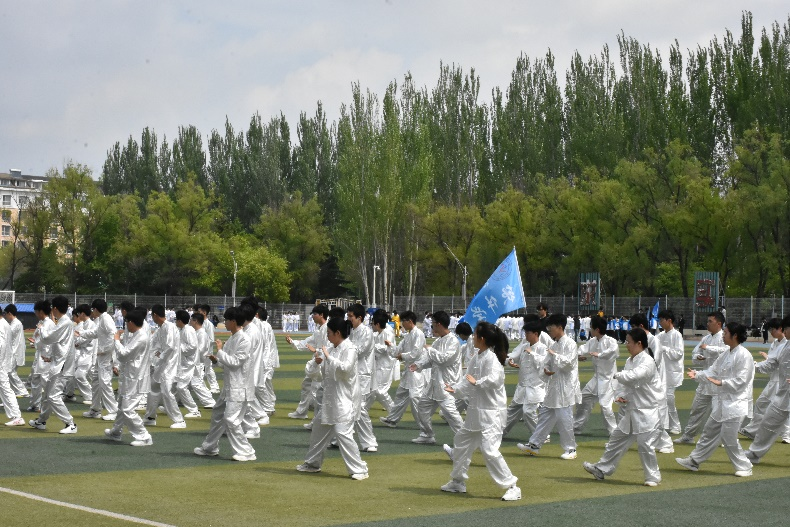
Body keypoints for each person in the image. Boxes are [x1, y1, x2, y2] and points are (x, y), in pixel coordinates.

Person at [441, 321, 521, 501]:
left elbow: (495, 380)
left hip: (492, 413)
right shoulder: (476, 358)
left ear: (482, 339)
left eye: (475, 335)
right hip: (476, 412)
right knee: (461, 442)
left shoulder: (492, 359)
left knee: (489, 450)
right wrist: (455, 389)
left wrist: (477, 382)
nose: (473, 337)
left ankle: (512, 486)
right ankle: (458, 481)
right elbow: (467, 381)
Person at [582, 327, 663, 487]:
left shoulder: (647, 361)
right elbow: (625, 386)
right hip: (633, 409)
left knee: (645, 444)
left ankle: (653, 477)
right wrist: (621, 396)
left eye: (629, 342)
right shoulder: (630, 361)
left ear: (639, 343)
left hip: (647, 410)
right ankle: (602, 468)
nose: (626, 345)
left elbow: (634, 376)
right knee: (617, 438)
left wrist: (616, 375)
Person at [675, 322, 754, 477]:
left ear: (735, 336)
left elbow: (742, 380)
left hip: (735, 403)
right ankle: (694, 461)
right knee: (709, 431)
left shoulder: (744, 355)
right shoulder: (725, 353)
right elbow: (712, 371)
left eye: (725, 333)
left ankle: (745, 466)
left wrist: (722, 383)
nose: (723, 336)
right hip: (722, 402)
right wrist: (697, 374)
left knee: (729, 437)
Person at [296, 316, 368, 479]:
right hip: (330, 400)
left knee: (343, 433)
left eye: (329, 333)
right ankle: (313, 463)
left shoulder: (350, 349)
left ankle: (359, 469)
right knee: (318, 431)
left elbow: (345, 369)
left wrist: (329, 358)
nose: (327, 336)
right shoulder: (330, 348)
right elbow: (314, 374)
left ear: (337, 333)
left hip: (345, 400)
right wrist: (317, 362)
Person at [194, 307, 257, 461]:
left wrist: (220, 351)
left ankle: (247, 451)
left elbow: (235, 363)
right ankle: (210, 447)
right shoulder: (232, 339)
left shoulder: (244, 340)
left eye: (226, 320)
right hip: (229, 386)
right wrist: (216, 360)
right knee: (218, 414)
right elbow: (226, 364)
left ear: (233, 321)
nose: (225, 323)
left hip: (240, 387)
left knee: (231, 419)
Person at [517, 313, 581, 459]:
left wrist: (555, 355)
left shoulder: (570, 344)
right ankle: (534, 444)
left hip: (566, 387)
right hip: (553, 386)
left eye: (551, 326)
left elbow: (569, 364)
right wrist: (546, 369)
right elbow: (546, 362)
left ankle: (571, 449)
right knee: (545, 416)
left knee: (564, 418)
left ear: (560, 327)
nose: (549, 329)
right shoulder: (553, 344)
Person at [410, 310, 463, 445]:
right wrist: (418, 365)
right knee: (422, 407)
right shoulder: (438, 341)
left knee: (451, 415)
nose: (432, 326)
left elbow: (443, 359)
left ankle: (465, 439)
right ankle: (427, 434)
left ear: (438, 324)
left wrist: (430, 349)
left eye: (433, 323)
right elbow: (431, 360)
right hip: (434, 384)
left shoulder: (453, 342)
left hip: (447, 385)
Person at [675, 312, 728, 444]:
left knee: (719, 412)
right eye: (707, 321)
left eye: (710, 321)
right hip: (705, 379)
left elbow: (727, 351)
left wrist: (709, 348)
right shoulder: (706, 338)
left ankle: (723, 438)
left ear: (719, 324)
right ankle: (688, 436)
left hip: (719, 381)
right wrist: (698, 357)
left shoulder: (724, 337)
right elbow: (695, 352)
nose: (707, 324)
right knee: (697, 409)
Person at [104, 309, 153, 446]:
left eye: (126, 322)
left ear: (131, 322)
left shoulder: (141, 337)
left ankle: (144, 436)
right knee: (122, 405)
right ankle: (116, 431)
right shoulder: (136, 335)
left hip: (136, 378)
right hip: (131, 375)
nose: (125, 326)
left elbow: (124, 354)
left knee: (127, 409)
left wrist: (116, 341)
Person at [29, 296, 78, 434]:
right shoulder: (63, 322)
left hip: (62, 365)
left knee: (53, 396)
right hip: (58, 362)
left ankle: (70, 424)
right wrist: (51, 357)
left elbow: (48, 338)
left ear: (55, 308)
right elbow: (61, 345)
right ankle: (41, 421)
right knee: (47, 394)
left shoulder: (65, 322)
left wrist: (41, 329)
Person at [745, 315, 790, 464]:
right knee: (768, 422)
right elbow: (770, 364)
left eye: (786, 328)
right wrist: (752, 366)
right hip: (784, 395)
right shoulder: (783, 347)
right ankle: (754, 454)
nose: (785, 331)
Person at [379, 310, 426, 428]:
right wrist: (390, 346)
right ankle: (392, 419)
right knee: (401, 395)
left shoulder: (418, 334)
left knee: (415, 398)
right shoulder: (408, 336)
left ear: (410, 321)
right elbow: (398, 350)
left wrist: (402, 356)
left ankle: (424, 425)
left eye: (403, 321)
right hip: (408, 371)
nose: (402, 324)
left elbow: (416, 353)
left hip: (416, 371)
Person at [573, 315, 618, 435]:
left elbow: (613, 351)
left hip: (609, 379)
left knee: (605, 406)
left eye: (591, 328)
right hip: (597, 378)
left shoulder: (610, 341)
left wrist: (600, 354)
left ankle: (614, 432)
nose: (590, 330)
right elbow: (582, 349)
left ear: (597, 329)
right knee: (584, 398)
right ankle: (577, 427)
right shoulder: (592, 341)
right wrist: (578, 355)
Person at [144, 304, 186, 429]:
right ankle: (150, 417)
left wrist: (160, 355)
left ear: (155, 315)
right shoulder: (160, 329)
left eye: (152, 316)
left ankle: (179, 420)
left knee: (166, 391)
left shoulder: (170, 327)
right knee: (153, 388)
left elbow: (170, 346)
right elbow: (154, 345)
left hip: (170, 365)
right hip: (161, 365)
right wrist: (154, 356)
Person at [503, 320, 547, 438]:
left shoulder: (543, 348)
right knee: (511, 411)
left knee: (528, 412)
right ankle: (500, 432)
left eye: (528, 333)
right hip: (522, 386)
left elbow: (544, 365)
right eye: (525, 333)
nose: (526, 335)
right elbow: (513, 356)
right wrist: (509, 361)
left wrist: (532, 353)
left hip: (535, 387)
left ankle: (540, 436)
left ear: (536, 334)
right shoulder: (523, 346)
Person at [78, 299, 119, 421]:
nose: (92, 312)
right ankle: (95, 409)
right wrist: (81, 333)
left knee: (105, 383)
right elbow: (96, 333)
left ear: (95, 309)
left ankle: (113, 411)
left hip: (105, 356)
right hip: (101, 356)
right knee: (96, 381)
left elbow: (114, 335)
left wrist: (105, 350)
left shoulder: (106, 319)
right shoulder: (102, 319)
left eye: (93, 309)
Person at [286, 304, 329, 420]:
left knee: (317, 391)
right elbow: (308, 342)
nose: (313, 316)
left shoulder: (328, 328)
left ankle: (318, 419)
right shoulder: (319, 329)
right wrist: (293, 342)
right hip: (316, 361)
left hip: (324, 362)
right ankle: (302, 412)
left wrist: (316, 351)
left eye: (314, 314)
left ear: (321, 315)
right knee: (307, 385)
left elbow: (329, 348)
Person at [347, 303, 378, 452]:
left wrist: (343, 348)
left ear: (359, 317)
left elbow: (360, 351)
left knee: (360, 407)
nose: (348, 319)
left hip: (362, 373)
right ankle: (340, 437)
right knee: (346, 405)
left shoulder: (366, 332)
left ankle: (369, 441)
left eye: (351, 316)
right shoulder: (351, 331)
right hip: (351, 372)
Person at [657, 310, 685, 434]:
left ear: (669, 320)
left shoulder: (677, 335)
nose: (660, 322)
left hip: (672, 371)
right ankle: (663, 424)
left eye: (661, 320)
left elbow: (678, 353)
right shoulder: (660, 335)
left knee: (669, 399)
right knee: (661, 399)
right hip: (661, 371)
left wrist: (664, 349)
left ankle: (676, 425)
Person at [371, 309, 396, 413]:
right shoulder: (378, 334)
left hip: (386, 365)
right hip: (379, 364)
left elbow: (387, 348)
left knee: (380, 391)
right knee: (373, 390)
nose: (372, 326)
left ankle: (394, 412)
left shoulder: (388, 333)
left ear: (377, 324)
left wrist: (373, 346)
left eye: (372, 323)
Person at [2, 304, 29, 398]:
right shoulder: (14, 323)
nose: (5, 316)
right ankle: (18, 390)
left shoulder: (16, 323)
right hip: (14, 350)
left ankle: (22, 391)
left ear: (9, 313)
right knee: (10, 372)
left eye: (5, 314)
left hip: (15, 351)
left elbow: (7, 334)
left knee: (10, 372)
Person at [197, 304, 220, 394]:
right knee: (201, 368)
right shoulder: (199, 322)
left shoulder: (209, 324)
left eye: (199, 311)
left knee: (208, 368)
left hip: (207, 350)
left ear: (204, 312)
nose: (197, 313)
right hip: (199, 350)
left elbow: (211, 339)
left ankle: (215, 386)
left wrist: (205, 348)